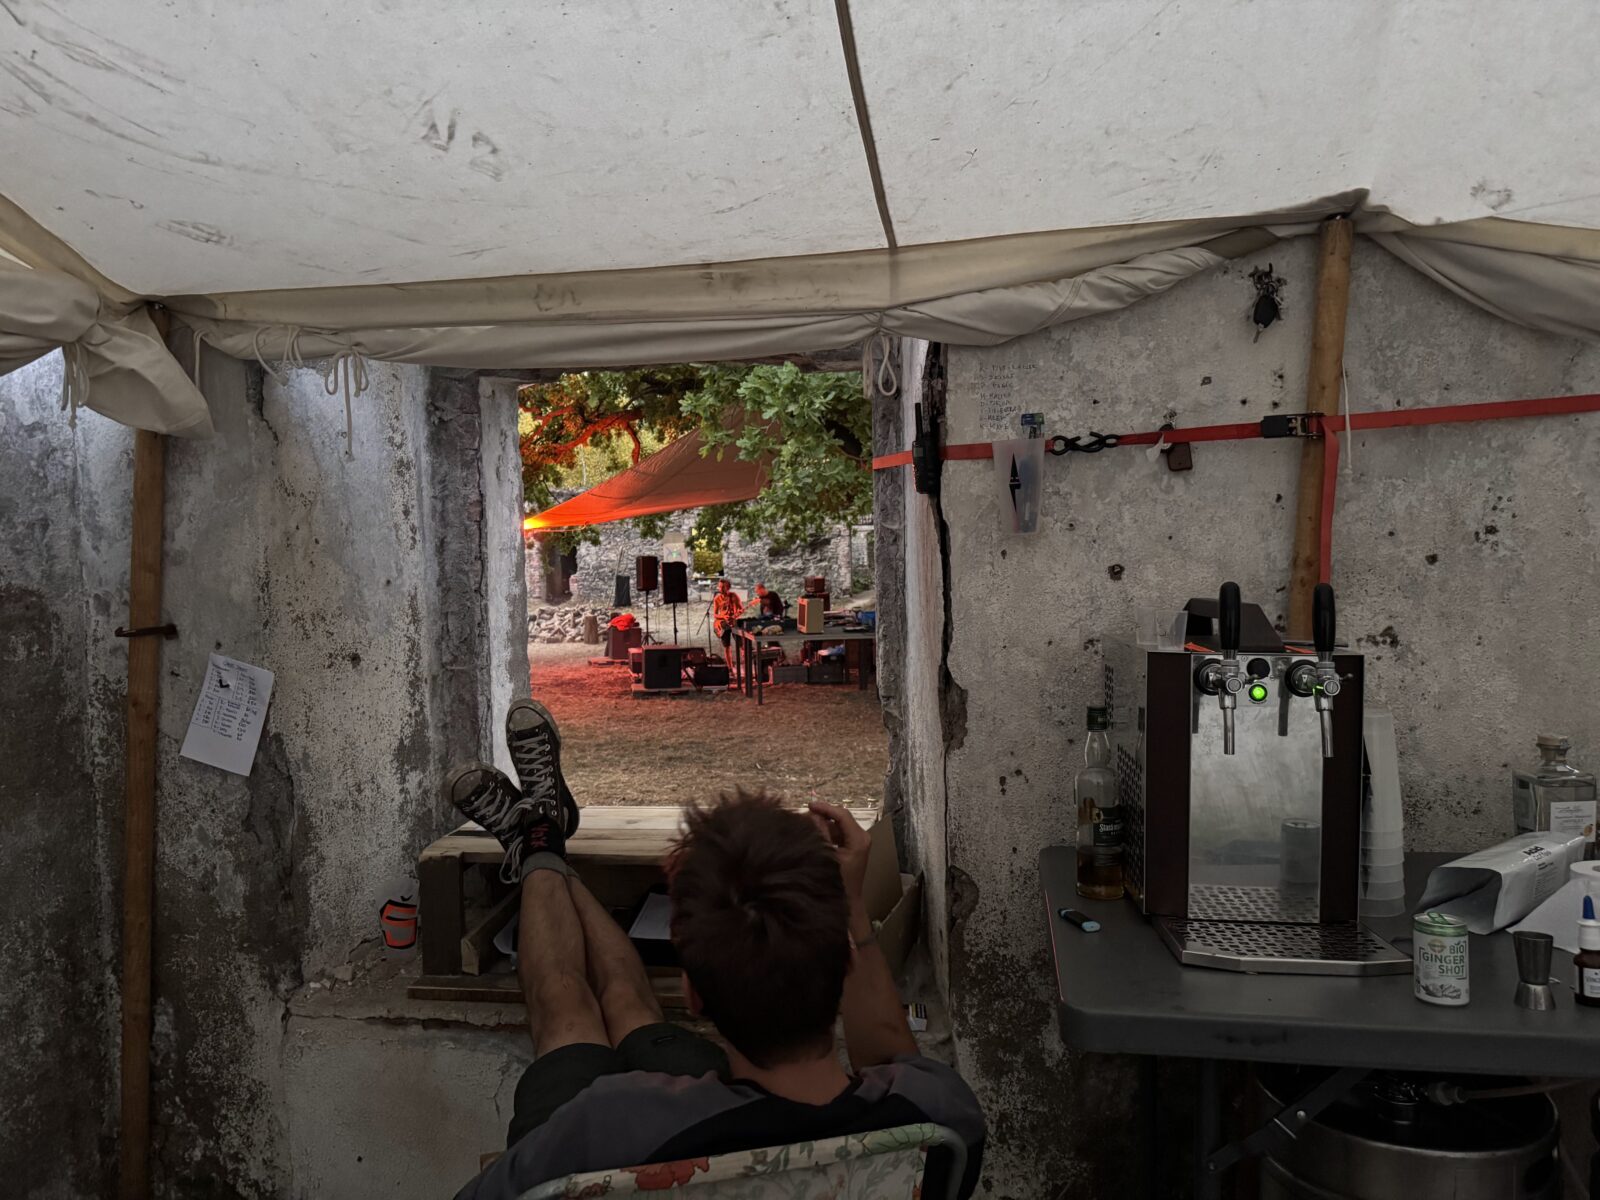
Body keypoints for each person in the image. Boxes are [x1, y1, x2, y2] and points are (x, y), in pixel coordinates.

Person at [446, 703, 985, 1199]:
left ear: (694, 995)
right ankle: (542, 834)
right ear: (846, 966)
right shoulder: (938, 1121)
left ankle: (539, 841)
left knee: (566, 1009)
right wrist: (850, 907)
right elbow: (894, 1063)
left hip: (658, 1127)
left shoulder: (603, 1127)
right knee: (633, 1013)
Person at [711, 577, 744, 666]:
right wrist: (723, 616)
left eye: (723, 587)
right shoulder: (717, 599)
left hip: (733, 623)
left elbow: (741, 609)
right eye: (720, 587)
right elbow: (715, 615)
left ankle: (746, 664)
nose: (721, 589)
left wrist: (736, 615)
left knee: (742, 645)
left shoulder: (734, 596)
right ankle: (730, 668)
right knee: (727, 647)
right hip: (723, 624)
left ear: (728, 587)